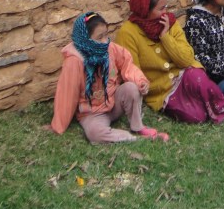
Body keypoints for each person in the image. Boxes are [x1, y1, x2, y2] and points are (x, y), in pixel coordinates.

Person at [115, 0, 224, 124]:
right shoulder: (127, 33)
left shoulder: (169, 23)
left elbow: (186, 59)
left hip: (184, 74)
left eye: (165, 7)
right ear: (145, 11)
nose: (165, 12)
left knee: (198, 78)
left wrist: (165, 37)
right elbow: (132, 71)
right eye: (160, 9)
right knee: (197, 117)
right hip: (162, 92)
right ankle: (209, 108)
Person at [49, 11, 169, 143]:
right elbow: (67, 94)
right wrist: (58, 126)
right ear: (85, 39)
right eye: (99, 37)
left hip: (114, 103)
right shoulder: (75, 61)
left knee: (131, 88)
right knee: (95, 133)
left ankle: (138, 127)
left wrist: (140, 81)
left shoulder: (110, 49)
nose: (105, 41)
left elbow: (127, 64)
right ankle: (134, 139)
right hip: (92, 114)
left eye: (106, 35)